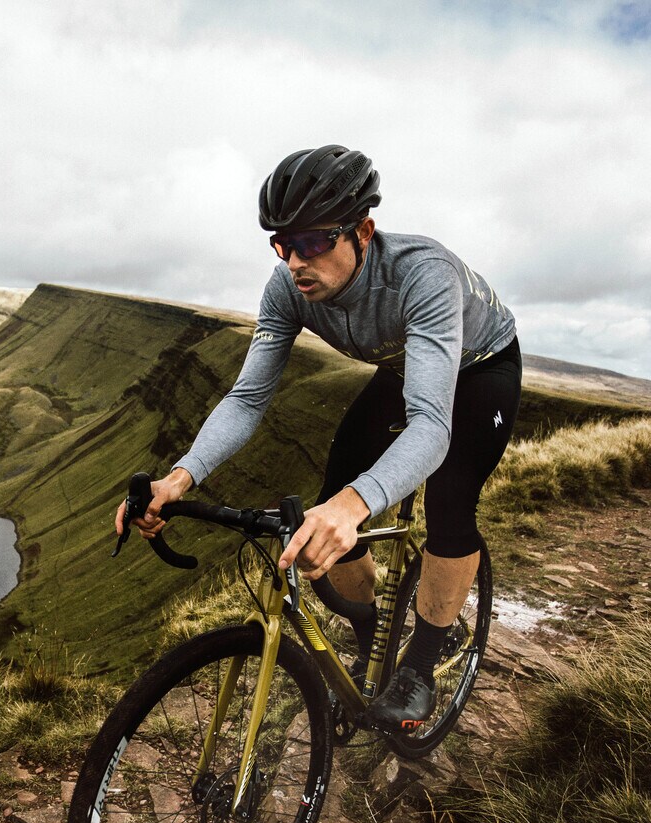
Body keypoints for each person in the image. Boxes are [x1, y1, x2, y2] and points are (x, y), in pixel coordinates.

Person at [115, 144, 522, 732]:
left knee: (449, 504)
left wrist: (354, 506)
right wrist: (179, 478)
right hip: (402, 367)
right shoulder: (287, 289)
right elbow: (249, 397)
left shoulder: (422, 273)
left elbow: (432, 423)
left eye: (312, 242)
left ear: (363, 230)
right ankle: (371, 642)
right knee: (331, 504)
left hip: (479, 369)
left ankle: (421, 667)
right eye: (282, 245)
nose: (296, 261)